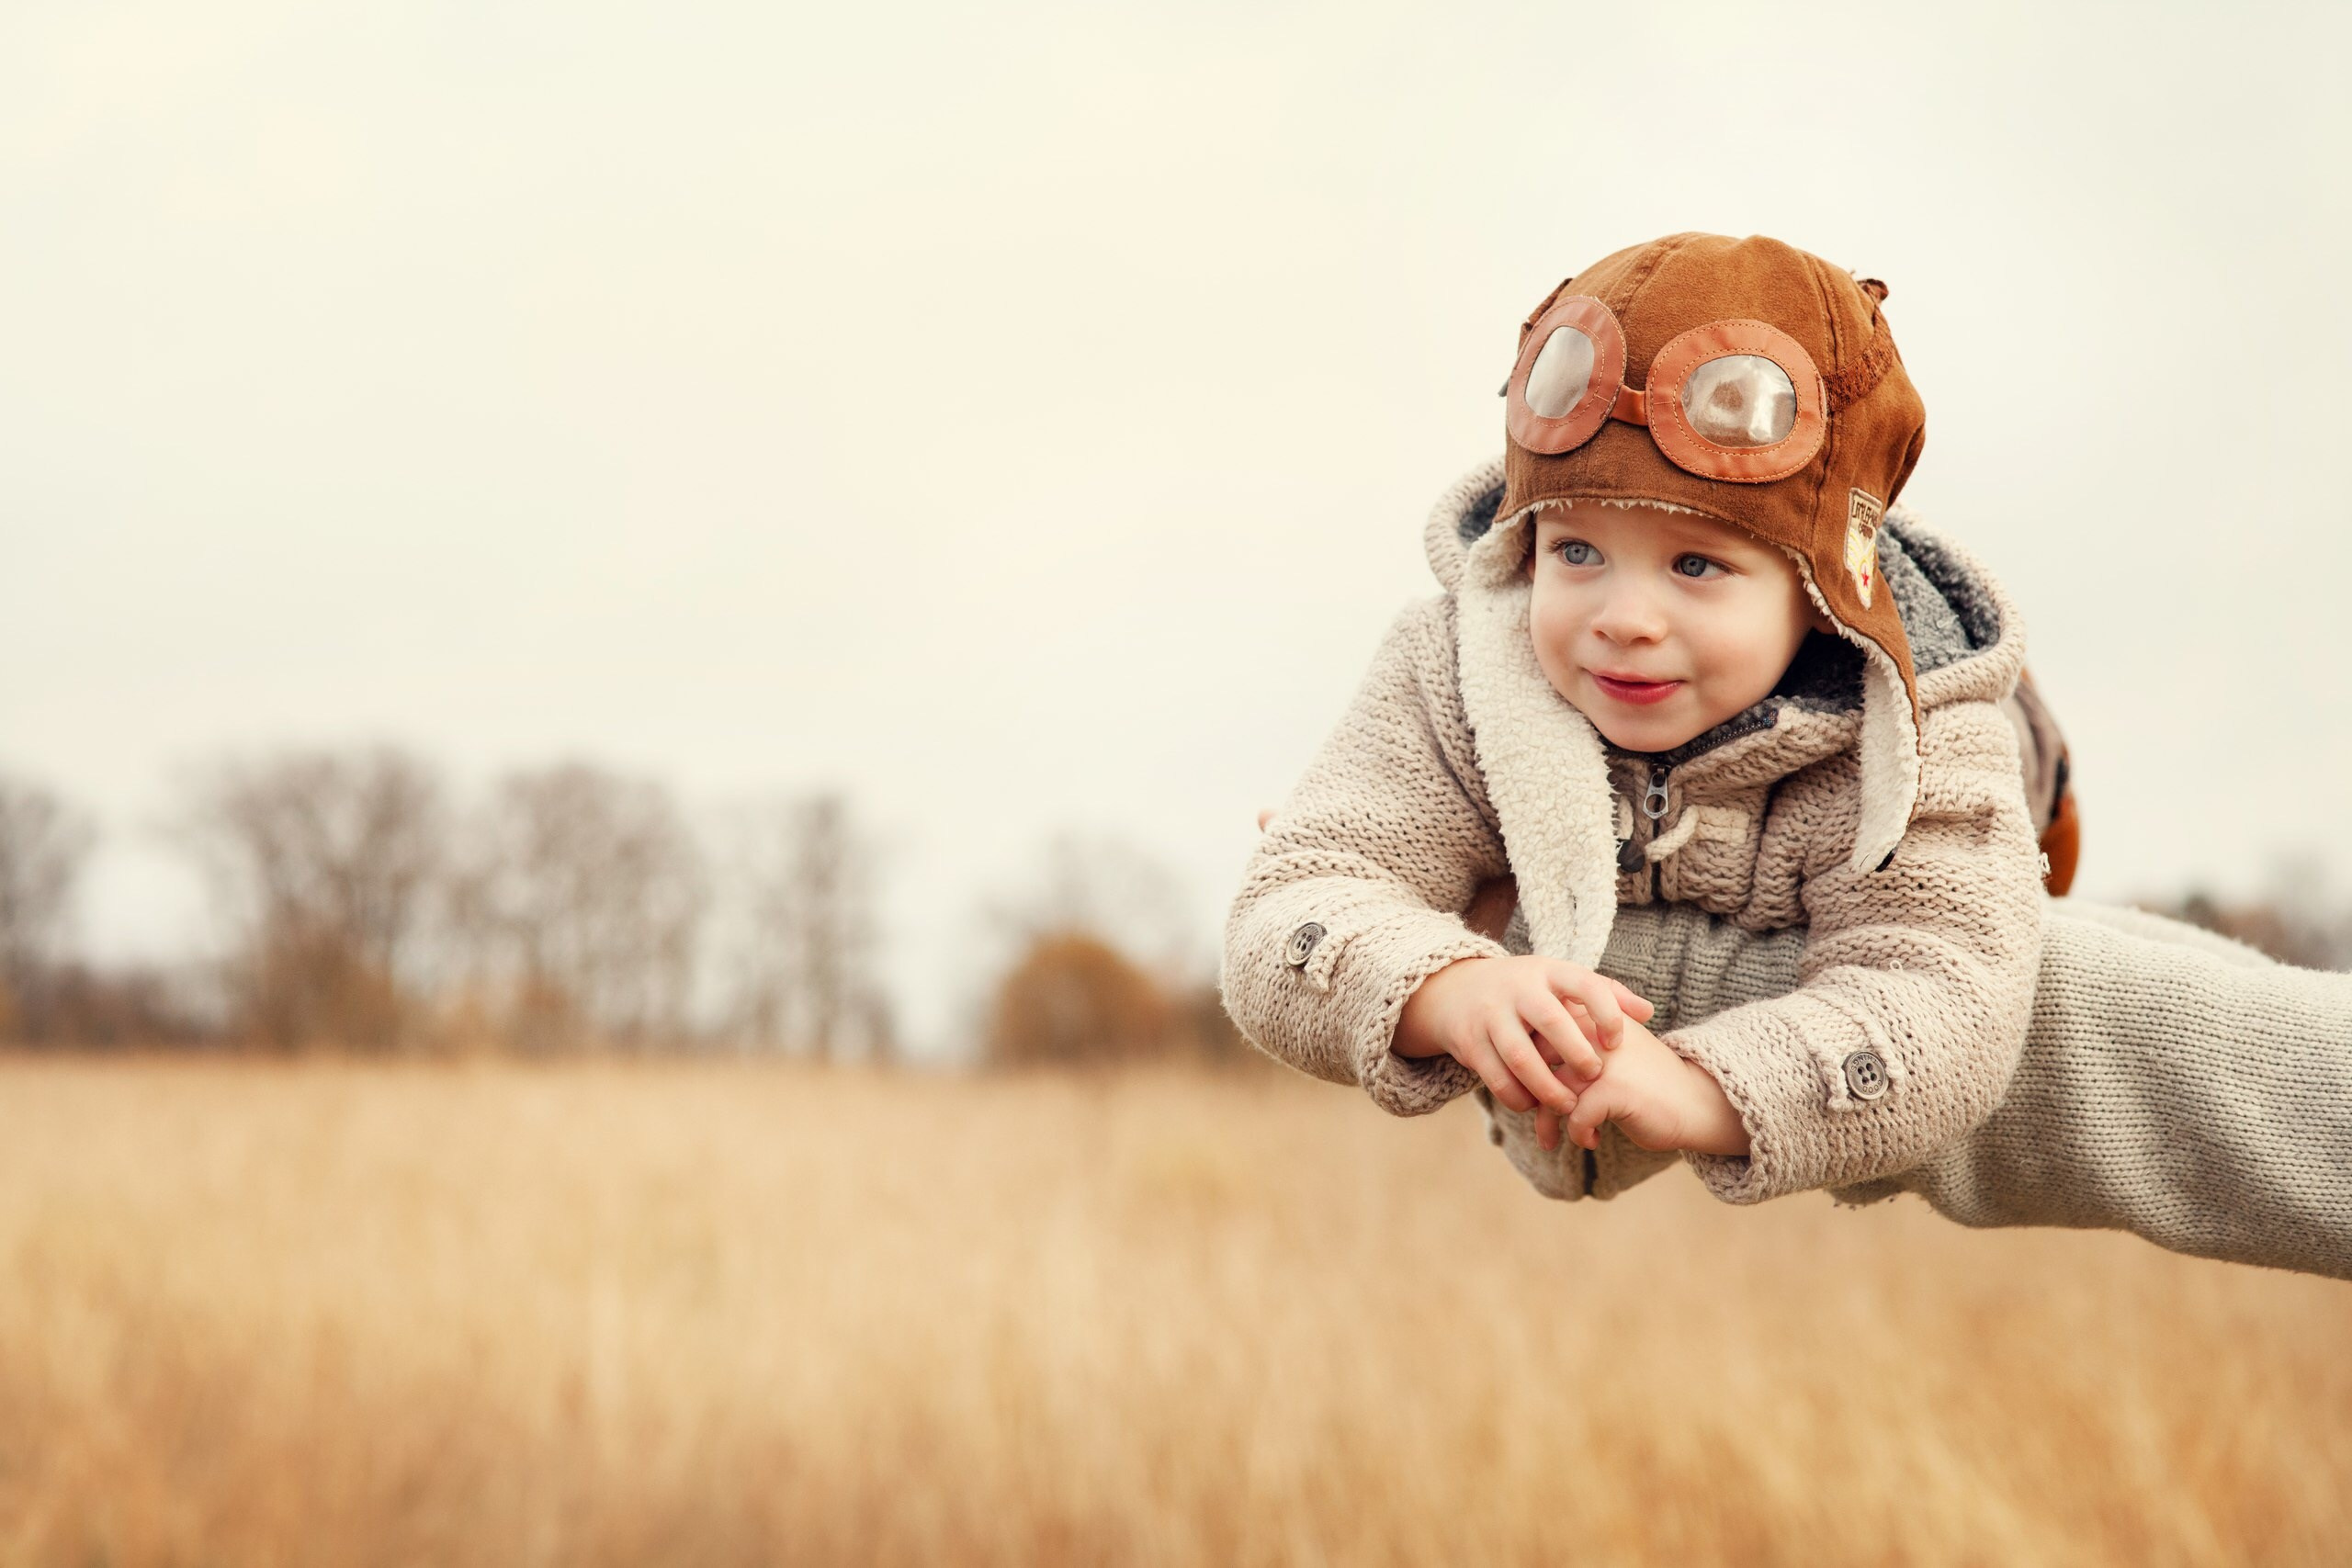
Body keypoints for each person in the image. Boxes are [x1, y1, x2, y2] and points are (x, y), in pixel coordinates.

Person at [1223, 231, 2352, 1280]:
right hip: (1637, 917)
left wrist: (1713, 1084)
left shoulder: (1909, 733)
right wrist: (1446, 983)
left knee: (2059, 948)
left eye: (1696, 567)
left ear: (1820, 595)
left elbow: (1946, 1000)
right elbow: (1301, 896)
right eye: (1576, 549)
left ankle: (2040, 784)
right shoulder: (1462, 668)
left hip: (1958, 796)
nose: (1621, 616)